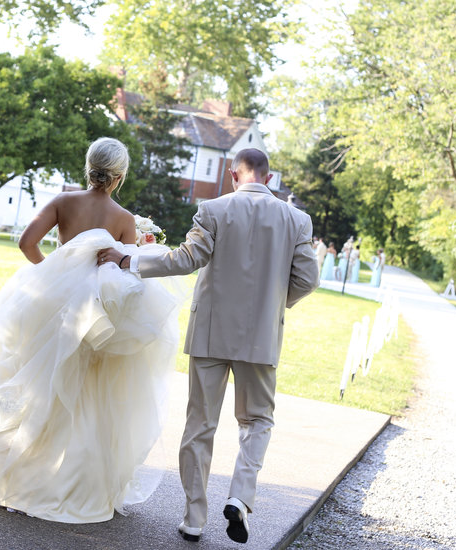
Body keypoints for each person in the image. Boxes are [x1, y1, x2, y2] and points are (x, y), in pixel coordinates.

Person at [0, 137, 184, 523]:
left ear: (88, 166)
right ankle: (70, 480)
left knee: (40, 385)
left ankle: (22, 470)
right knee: (85, 393)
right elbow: (124, 280)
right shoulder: (123, 220)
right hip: (93, 318)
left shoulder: (62, 202)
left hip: (51, 309)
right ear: (119, 176)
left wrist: (53, 276)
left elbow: (27, 243)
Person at [99, 148, 319, 544]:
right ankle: (239, 497)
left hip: (210, 332)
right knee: (257, 421)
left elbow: (187, 259)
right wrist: (274, 304)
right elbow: (307, 279)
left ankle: (193, 519)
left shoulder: (213, 209)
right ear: (268, 179)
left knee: (200, 424)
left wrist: (129, 261)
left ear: (234, 175)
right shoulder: (297, 220)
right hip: (261, 337)